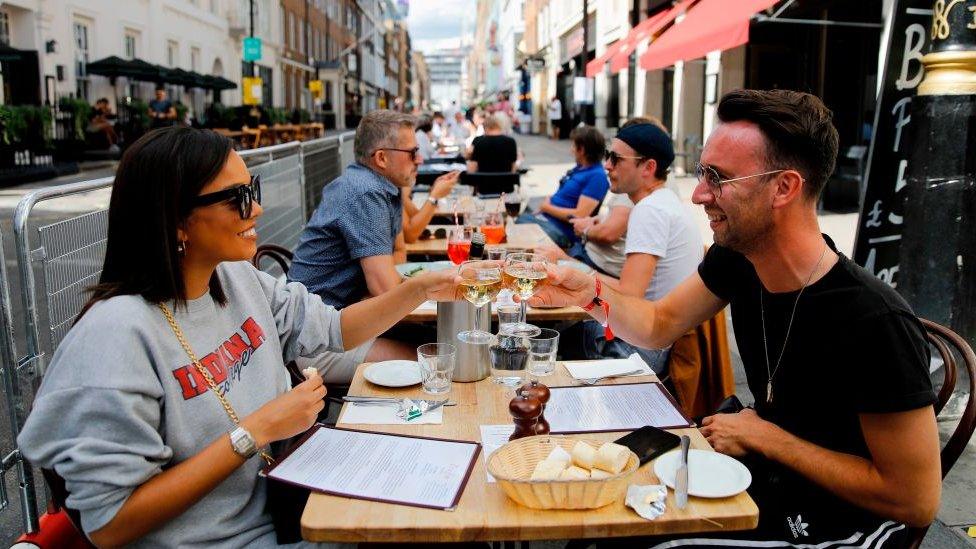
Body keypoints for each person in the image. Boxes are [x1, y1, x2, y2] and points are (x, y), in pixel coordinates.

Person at [531, 89, 940, 547]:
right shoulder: (740, 259)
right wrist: (591, 293)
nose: (700, 194)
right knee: (597, 525)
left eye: (718, 178)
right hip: (762, 479)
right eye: (703, 172)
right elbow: (659, 323)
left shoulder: (875, 320)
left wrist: (768, 438)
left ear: (784, 187)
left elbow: (914, 500)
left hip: (842, 524)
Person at [16, 126, 459, 548]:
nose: (257, 209)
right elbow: (110, 525)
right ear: (176, 220)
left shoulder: (235, 279)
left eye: (254, 189)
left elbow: (333, 329)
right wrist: (257, 429)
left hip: (290, 507)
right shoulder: (114, 338)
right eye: (237, 198)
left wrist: (419, 289)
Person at [288, 110, 459, 383]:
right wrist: (436, 289)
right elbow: (386, 288)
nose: (420, 159)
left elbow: (393, 268)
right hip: (318, 341)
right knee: (443, 365)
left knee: (442, 343)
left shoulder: (377, 187)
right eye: (412, 152)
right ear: (381, 158)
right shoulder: (365, 192)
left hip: (344, 323)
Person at [541, 121, 702, 372]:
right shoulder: (663, 201)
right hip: (652, 338)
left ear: (648, 167)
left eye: (615, 158)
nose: (607, 165)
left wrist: (566, 264)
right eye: (607, 155)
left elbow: (629, 294)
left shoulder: (650, 210)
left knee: (545, 339)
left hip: (639, 350)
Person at [517, 125, 609, 249]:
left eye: (573, 146)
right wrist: (547, 203)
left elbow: (579, 215)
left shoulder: (597, 176)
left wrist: (546, 207)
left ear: (581, 150)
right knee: (512, 223)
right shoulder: (579, 169)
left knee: (515, 230)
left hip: (561, 231)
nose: (571, 150)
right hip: (546, 221)